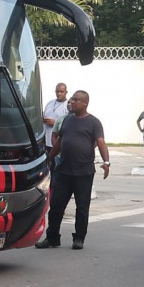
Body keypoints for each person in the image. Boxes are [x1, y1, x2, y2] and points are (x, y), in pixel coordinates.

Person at [39, 89, 109, 250]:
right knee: (56, 206)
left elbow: (101, 142)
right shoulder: (67, 120)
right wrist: (49, 159)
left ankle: (79, 238)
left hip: (83, 173)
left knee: (82, 207)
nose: (71, 101)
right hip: (63, 171)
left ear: (85, 103)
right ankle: (52, 238)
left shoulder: (94, 122)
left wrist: (107, 162)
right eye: (71, 99)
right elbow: (59, 141)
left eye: (75, 100)